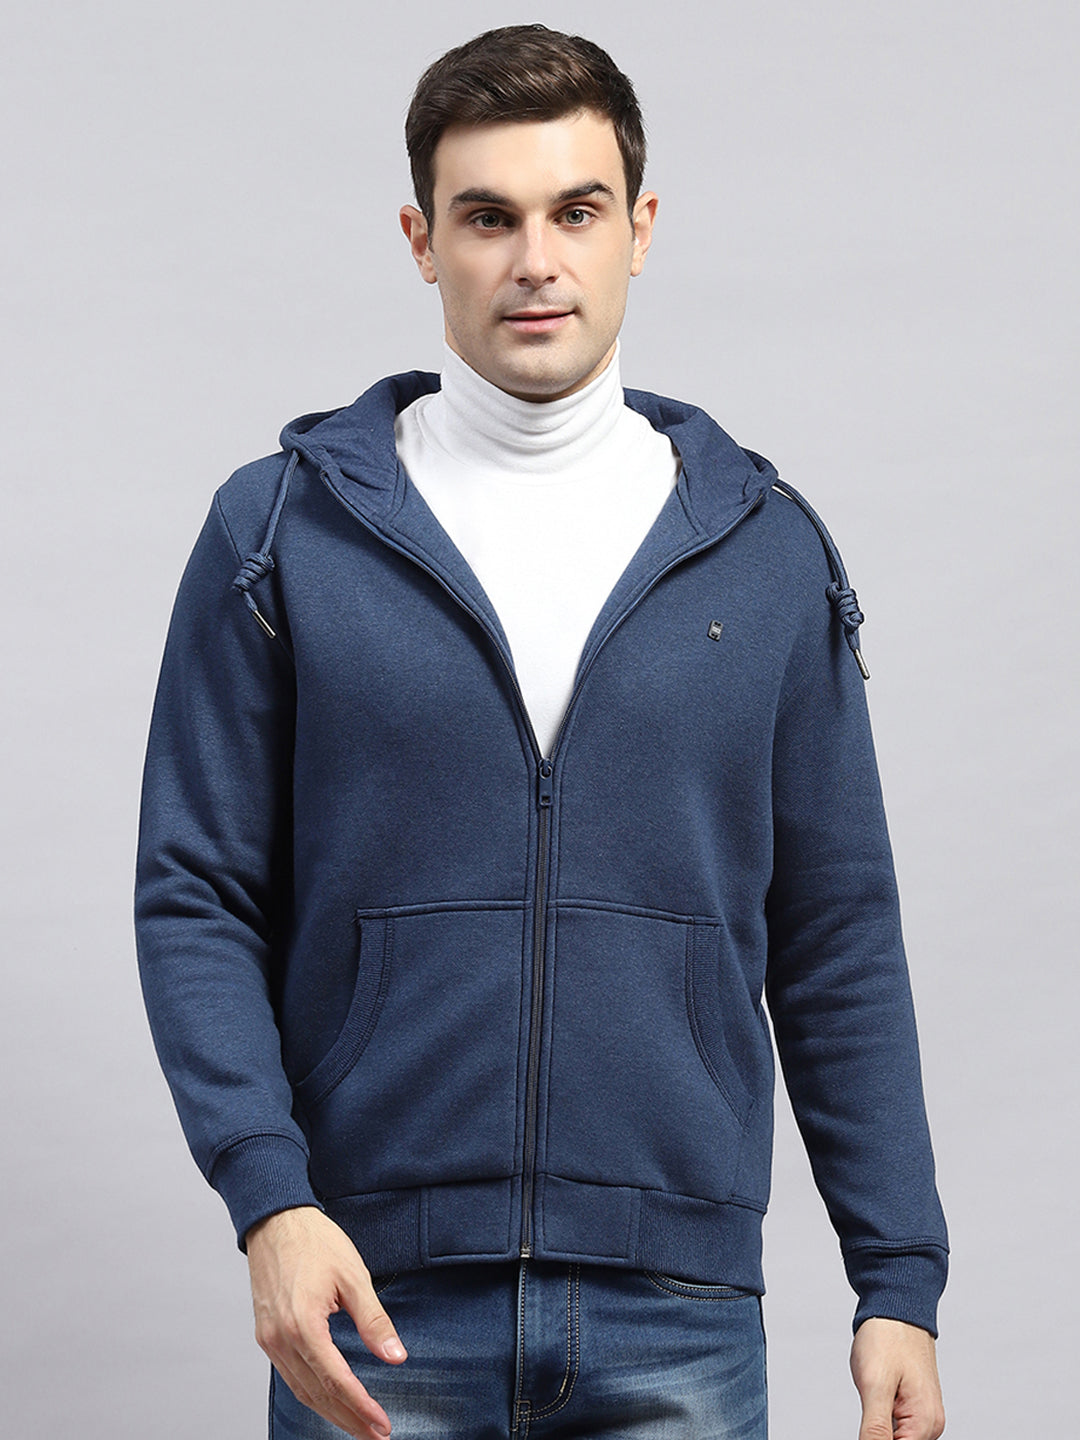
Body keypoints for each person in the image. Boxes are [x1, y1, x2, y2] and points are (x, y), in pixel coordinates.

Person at [135, 23, 947, 1440]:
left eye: (576, 212)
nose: (535, 261)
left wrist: (898, 1281)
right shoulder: (279, 536)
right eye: (487, 217)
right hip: (372, 1301)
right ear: (420, 240)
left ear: (641, 228)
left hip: (680, 1315)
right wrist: (269, 1198)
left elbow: (837, 932)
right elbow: (194, 890)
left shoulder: (763, 552)